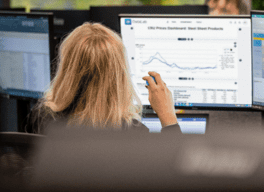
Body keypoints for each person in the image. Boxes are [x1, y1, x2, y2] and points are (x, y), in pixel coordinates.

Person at [28, 22, 180, 135]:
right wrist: (168, 117)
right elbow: (178, 171)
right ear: (119, 75)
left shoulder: (42, 119)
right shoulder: (132, 134)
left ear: (67, 70)